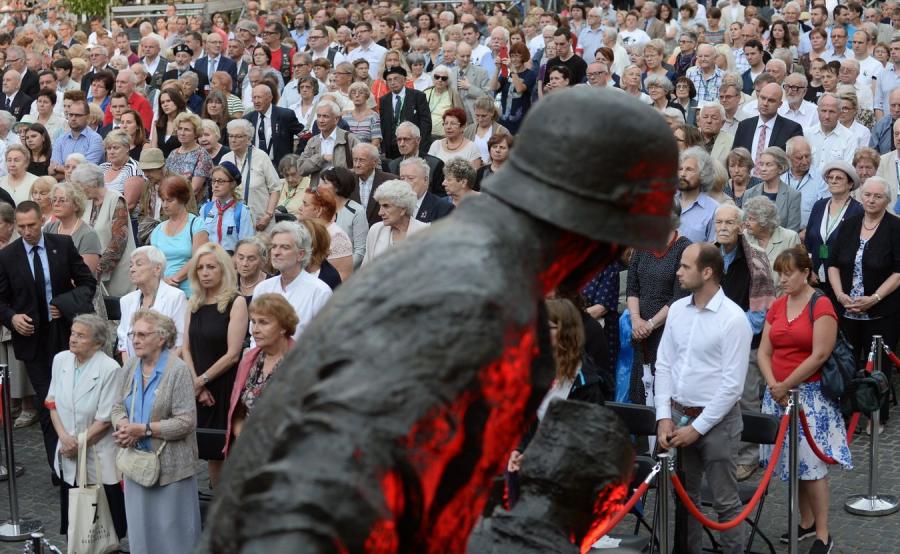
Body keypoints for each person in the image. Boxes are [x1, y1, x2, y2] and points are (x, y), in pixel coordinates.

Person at [655, 243, 751, 553]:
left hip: (718, 423)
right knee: (685, 500)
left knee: (725, 502)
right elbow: (664, 365)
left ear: (707, 272)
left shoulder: (733, 319)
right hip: (679, 416)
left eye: (685, 266)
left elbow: (732, 386)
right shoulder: (677, 310)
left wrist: (697, 429)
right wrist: (664, 416)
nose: (678, 272)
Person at [757, 246, 849, 552]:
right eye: (779, 274)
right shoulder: (777, 305)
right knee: (792, 464)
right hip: (778, 395)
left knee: (812, 467)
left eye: (788, 273)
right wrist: (774, 385)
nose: (782, 279)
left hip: (810, 397)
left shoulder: (820, 305)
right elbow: (764, 352)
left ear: (806, 273)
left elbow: (820, 354)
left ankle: (823, 534)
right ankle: (806, 522)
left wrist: (785, 385)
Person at [0, 201, 96, 470]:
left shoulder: (62, 245)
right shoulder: (8, 256)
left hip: (64, 334)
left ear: (42, 220)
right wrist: (12, 318)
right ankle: (59, 467)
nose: (27, 231)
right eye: (21, 227)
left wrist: (63, 304)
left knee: (71, 400)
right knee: (47, 403)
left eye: (31, 225)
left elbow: (88, 283)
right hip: (32, 339)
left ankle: (79, 461)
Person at [111, 309, 201, 554]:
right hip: (135, 465)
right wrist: (123, 426)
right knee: (142, 537)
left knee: (175, 539)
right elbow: (117, 406)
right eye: (133, 334)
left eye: (142, 334)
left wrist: (144, 430)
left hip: (171, 470)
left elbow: (186, 422)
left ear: (161, 338)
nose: (135, 340)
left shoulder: (178, 370)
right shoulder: (131, 366)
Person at [828, 177, 900, 428]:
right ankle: (846, 413)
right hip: (847, 309)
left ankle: (875, 417)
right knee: (846, 363)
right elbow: (833, 263)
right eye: (867, 195)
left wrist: (875, 298)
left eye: (877, 196)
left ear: (887, 200)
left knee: (878, 367)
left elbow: (898, 271)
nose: (871, 200)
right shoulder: (849, 224)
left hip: (881, 311)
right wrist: (839, 294)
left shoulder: (895, 227)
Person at [47, 313, 126, 541]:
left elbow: (105, 420)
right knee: (75, 523)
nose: (73, 339)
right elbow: (52, 403)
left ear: (98, 343)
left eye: (81, 336)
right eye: (73, 333)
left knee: (105, 527)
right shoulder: (61, 360)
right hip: (68, 453)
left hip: (98, 457)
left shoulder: (110, 368)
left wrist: (78, 444)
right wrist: (64, 439)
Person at [506, 297, 606, 476]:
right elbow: (528, 426)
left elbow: (586, 442)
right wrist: (518, 450)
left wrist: (538, 456)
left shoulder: (586, 382)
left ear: (565, 332)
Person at [182, 243, 248, 488]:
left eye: (211, 267)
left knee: (228, 450)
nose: (205, 272)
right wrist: (197, 385)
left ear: (223, 269)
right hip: (199, 387)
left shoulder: (236, 302)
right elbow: (185, 348)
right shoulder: (194, 302)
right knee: (211, 454)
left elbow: (233, 354)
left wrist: (201, 381)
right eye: (200, 268)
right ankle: (218, 499)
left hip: (225, 385)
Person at [626, 206, 691, 405]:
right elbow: (632, 288)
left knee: (663, 389)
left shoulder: (684, 248)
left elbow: (679, 297)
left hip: (667, 329)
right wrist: (636, 320)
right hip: (640, 329)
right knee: (640, 389)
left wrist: (651, 324)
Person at [224, 293, 297, 456]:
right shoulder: (249, 359)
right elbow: (238, 411)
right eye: (254, 322)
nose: (255, 330)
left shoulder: (300, 362)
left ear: (283, 327)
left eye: (264, 322)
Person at [251, 221, 332, 340]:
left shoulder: (320, 292)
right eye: (274, 246)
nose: (276, 252)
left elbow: (324, 340)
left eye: (285, 247)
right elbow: (254, 335)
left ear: (300, 254)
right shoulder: (262, 288)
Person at [73, 163, 136, 297]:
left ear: (94, 183)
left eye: (81, 185)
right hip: (92, 270)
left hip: (117, 272)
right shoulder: (87, 202)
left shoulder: (116, 199)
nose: (79, 190)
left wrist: (97, 269)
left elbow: (119, 240)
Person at [805, 161, 865, 298]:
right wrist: (809, 270)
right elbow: (808, 243)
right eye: (830, 177)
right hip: (814, 279)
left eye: (839, 178)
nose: (833, 181)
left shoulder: (858, 211)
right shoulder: (819, 205)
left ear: (850, 184)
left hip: (843, 280)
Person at [150, 176, 209, 297]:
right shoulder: (157, 230)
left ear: (182, 199)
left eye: (170, 200)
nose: (165, 205)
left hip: (189, 293)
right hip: (162, 292)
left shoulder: (196, 224)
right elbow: (153, 264)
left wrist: (174, 279)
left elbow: (199, 258)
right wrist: (163, 282)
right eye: (163, 200)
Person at [220, 119, 281, 233]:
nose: (233, 140)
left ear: (248, 139)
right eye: (231, 136)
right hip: (232, 221)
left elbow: (275, 189)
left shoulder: (261, 157)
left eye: (238, 136)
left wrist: (268, 215)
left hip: (260, 222)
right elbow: (218, 188)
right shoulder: (225, 159)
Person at [362, 179, 429, 266]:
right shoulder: (376, 230)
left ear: (403, 209)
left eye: (386, 206)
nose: (380, 213)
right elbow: (366, 268)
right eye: (380, 206)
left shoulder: (425, 231)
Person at [743, 196, 801, 294]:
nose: (746, 223)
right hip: (751, 298)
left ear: (765, 222)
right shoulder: (745, 236)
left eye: (751, 219)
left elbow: (797, 274)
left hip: (781, 297)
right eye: (747, 218)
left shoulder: (790, 237)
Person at [297, 101, 360, 189]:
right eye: (319, 116)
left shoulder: (349, 139)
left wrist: (343, 175)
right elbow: (301, 169)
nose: (321, 120)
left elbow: (361, 167)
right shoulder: (313, 141)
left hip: (342, 192)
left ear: (336, 119)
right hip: (318, 192)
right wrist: (321, 158)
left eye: (325, 116)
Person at [44, 183, 102, 276]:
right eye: (54, 200)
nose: (56, 204)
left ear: (76, 205)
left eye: (62, 200)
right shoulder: (49, 228)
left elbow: (84, 275)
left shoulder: (88, 235)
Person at [298, 187, 353, 281]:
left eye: (305, 204)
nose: (300, 208)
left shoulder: (337, 237)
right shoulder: (303, 230)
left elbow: (339, 280)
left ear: (319, 210)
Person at [743, 146, 803, 232]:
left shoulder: (793, 195)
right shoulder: (749, 193)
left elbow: (792, 231)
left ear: (780, 168)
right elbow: (745, 226)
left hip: (782, 240)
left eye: (769, 165)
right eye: (761, 164)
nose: (763, 169)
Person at [318, 167, 367, 268]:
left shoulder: (357, 211)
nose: (319, 186)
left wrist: (339, 270)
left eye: (325, 182)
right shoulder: (319, 209)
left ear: (338, 187)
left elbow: (360, 252)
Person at [378, 66, 432, 159]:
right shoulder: (384, 100)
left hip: (413, 146)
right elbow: (383, 125)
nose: (392, 82)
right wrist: (384, 148)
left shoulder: (418, 96)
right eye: (389, 80)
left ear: (404, 80)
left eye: (396, 78)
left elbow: (426, 123)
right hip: (391, 149)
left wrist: (421, 147)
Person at [200, 163, 254, 254]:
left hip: (231, 259)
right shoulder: (205, 209)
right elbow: (200, 240)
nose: (215, 185)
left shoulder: (242, 211)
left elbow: (246, 245)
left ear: (232, 184)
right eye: (213, 181)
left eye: (221, 181)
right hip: (209, 258)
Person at [165, 112, 214, 203]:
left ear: (196, 133)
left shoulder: (202, 155)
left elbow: (194, 189)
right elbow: (165, 180)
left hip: (191, 205)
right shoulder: (173, 153)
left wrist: (173, 201)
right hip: (170, 202)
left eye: (187, 130)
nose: (182, 133)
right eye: (180, 129)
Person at [489, 42, 536, 135]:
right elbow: (493, 87)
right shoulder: (506, 73)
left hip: (521, 123)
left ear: (524, 57)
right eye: (512, 56)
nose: (514, 59)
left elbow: (519, 89)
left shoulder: (530, 74)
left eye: (517, 56)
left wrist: (512, 69)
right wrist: (498, 69)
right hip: (503, 122)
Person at [677, 147, 719, 243]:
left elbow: (713, 248)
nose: (682, 174)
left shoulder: (713, 210)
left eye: (689, 169)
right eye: (680, 169)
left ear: (703, 174)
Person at [464, 96, 510, 166]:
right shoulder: (469, 130)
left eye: (484, 116)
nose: (480, 119)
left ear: (492, 113)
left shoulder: (502, 131)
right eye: (477, 115)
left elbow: (510, 156)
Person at [150, 87, 187, 158]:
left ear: (177, 101)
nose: (165, 105)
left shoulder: (186, 122)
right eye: (162, 102)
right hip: (160, 162)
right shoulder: (158, 124)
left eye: (168, 101)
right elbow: (154, 149)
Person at [234, 237, 270, 304]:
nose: (244, 264)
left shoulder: (272, 285)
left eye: (251, 259)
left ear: (262, 261)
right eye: (241, 258)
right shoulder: (228, 282)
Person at [345, 82, 382, 148]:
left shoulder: (373, 116)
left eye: (361, 93)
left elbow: (376, 142)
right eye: (353, 93)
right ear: (350, 96)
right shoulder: (345, 117)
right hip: (348, 152)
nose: (357, 95)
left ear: (366, 96)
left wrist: (363, 152)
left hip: (368, 152)